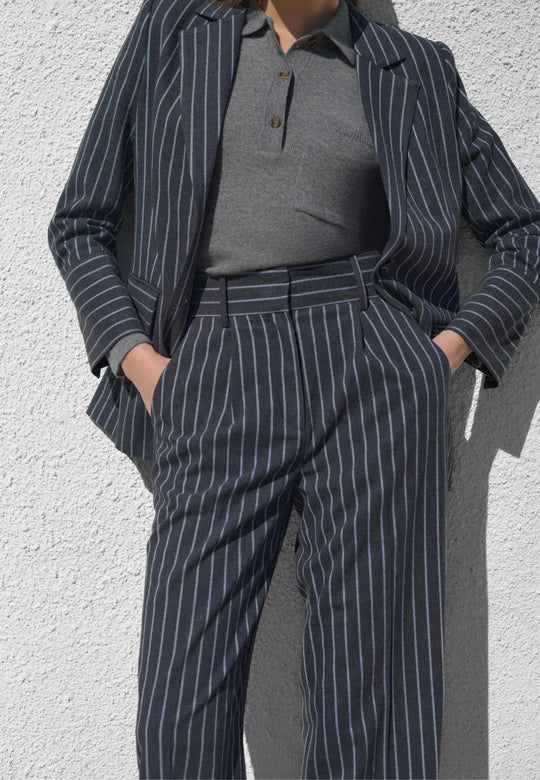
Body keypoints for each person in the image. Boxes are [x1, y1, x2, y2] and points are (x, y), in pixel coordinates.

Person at [46, 0, 540, 777]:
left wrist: (438, 357)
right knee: (181, 701)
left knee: (372, 698)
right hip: (216, 360)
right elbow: (79, 224)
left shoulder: (413, 69)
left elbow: (522, 232)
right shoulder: (176, 32)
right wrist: (146, 368)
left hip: (372, 366)